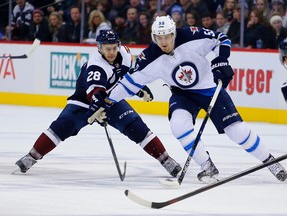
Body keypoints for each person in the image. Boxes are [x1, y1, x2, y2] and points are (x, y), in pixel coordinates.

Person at [92, 16, 287, 183]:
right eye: (159, 37)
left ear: (174, 33)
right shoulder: (149, 58)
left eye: (167, 36)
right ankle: (207, 166)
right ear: (154, 37)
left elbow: (222, 39)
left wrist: (221, 60)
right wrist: (107, 102)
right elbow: (128, 84)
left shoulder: (191, 36)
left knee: (236, 131)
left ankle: (271, 162)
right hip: (182, 95)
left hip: (209, 88)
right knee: (178, 125)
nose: (164, 41)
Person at [15, 29, 182, 178]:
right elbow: (96, 95)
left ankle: (165, 159)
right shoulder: (96, 65)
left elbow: (130, 74)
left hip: (111, 97)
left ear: (119, 45)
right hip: (83, 101)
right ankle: (32, 156)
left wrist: (139, 88)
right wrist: (99, 110)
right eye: (107, 48)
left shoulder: (124, 54)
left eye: (114, 48)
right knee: (63, 126)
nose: (111, 52)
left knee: (136, 127)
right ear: (99, 48)